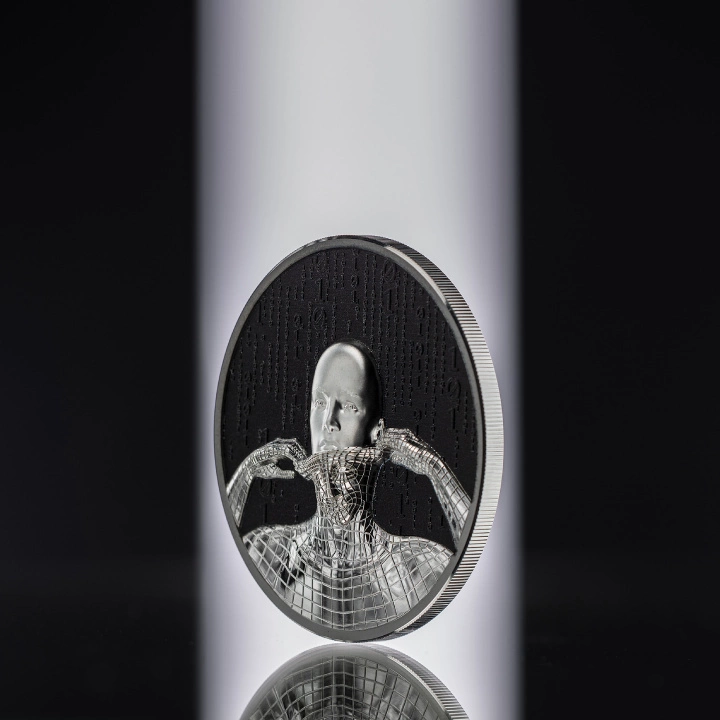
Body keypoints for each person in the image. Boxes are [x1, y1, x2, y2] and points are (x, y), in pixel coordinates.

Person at [227, 340, 470, 631]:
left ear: (376, 432)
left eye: (349, 406)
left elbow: (482, 578)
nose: (328, 421)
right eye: (320, 403)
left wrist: (436, 470)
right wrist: (245, 474)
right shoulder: (268, 553)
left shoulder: (416, 567)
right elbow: (212, 572)